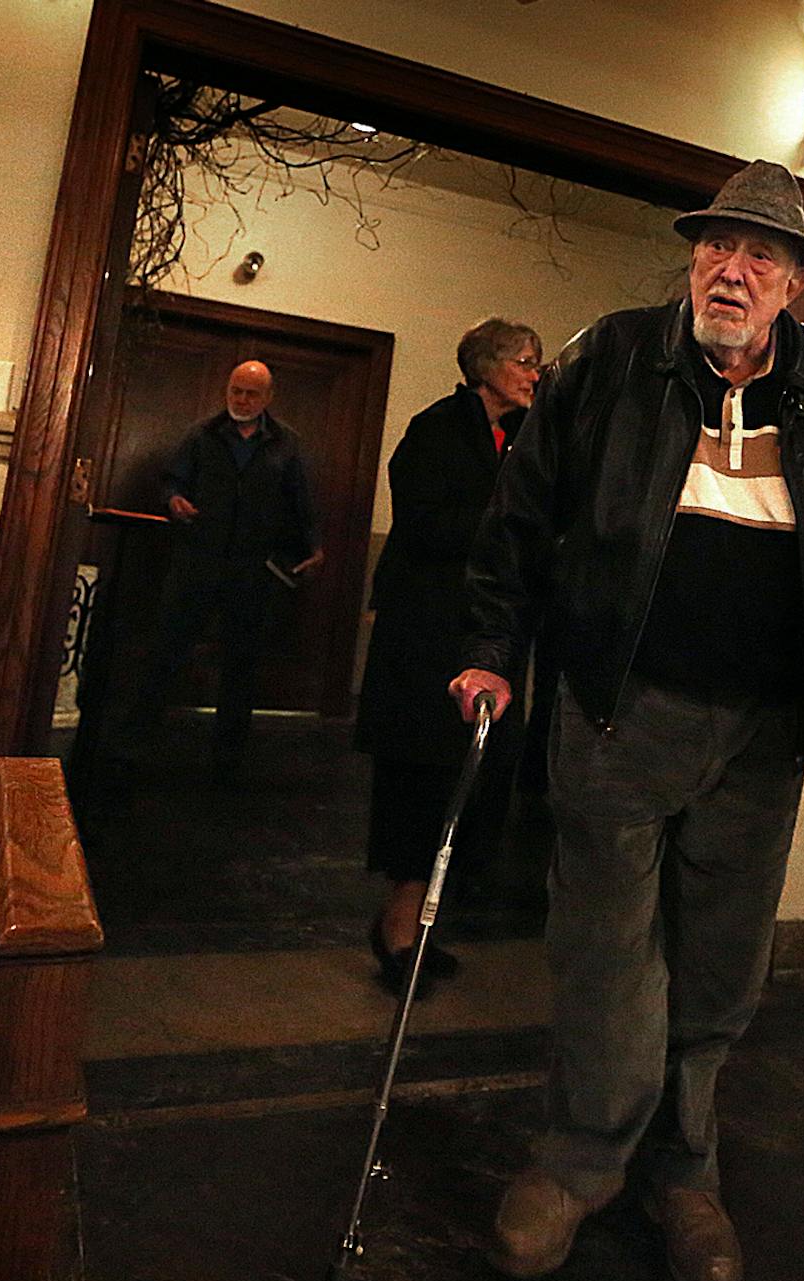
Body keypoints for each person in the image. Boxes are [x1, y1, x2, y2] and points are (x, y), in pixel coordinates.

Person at [449, 161, 804, 1281]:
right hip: (620, 713)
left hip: (765, 734)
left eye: (762, 254)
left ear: (798, 283)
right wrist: (489, 647)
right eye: (719, 245)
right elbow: (518, 520)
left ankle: (685, 1164)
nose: (734, 268)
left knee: (722, 958)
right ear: (692, 257)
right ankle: (581, 1157)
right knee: (606, 949)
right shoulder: (610, 361)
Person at [354, 319, 541, 996]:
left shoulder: (523, 438)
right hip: (426, 643)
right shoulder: (434, 430)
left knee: (477, 783)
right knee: (422, 783)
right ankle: (399, 926)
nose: (533, 374)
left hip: (488, 637)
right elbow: (426, 526)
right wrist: (512, 528)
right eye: (525, 362)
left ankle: (428, 925)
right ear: (486, 367)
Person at [142, 360, 323, 777]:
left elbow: (303, 501)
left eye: (251, 393)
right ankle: (141, 745)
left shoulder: (287, 444)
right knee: (166, 651)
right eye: (235, 391)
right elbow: (171, 481)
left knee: (242, 664)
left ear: (268, 398)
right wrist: (174, 502)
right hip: (198, 560)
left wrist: (313, 546)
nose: (241, 400)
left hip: (251, 567)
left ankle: (228, 758)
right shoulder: (201, 435)